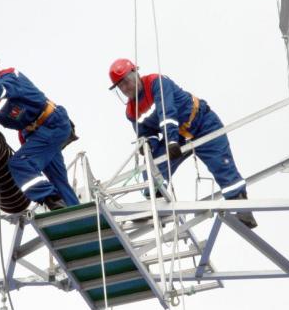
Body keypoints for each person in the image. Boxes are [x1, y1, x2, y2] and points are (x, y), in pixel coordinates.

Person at [108, 58, 257, 228]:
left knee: (222, 164)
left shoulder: (157, 83)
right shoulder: (131, 111)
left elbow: (167, 112)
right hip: (178, 135)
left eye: (126, 81)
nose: (126, 88)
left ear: (136, 73)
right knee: (154, 166)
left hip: (202, 123)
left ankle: (242, 208)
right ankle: (154, 204)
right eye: (121, 86)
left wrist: (171, 141)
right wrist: (148, 146)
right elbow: (145, 133)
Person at [0, 46, 79, 210]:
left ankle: (52, 200)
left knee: (20, 164)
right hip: (36, 135)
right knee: (58, 180)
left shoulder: (11, 76)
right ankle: (73, 209)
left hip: (52, 124)